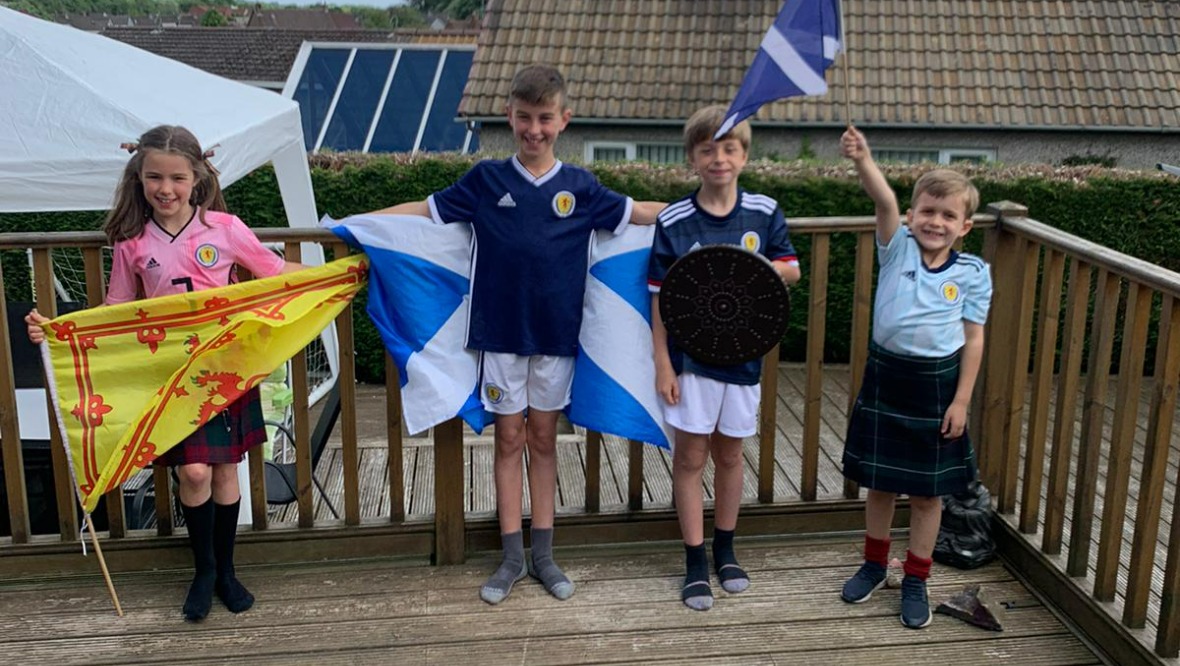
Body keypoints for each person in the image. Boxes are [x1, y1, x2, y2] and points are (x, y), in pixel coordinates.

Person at [370, 64, 666, 605]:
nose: (534, 129)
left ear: (564, 120)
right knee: (507, 440)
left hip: (557, 341)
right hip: (500, 338)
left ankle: (545, 556)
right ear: (510, 116)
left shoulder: (582, 187)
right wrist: (358, 223)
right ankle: (510, 557)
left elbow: (644, 213)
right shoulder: (486, 180)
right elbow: (424, 213)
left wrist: (708, 219)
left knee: (543, 441)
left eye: (545, 118)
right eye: (525, 117)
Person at [26, 125, 304, 622]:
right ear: (140, 177)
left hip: (225, 369)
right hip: (172, 376)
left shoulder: (226, 229)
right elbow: (116, 309)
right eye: (154, 176)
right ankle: (202, 569)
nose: (166, 188)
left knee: (224, 472)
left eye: (177, 178)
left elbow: (274, 274)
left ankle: (225, 572)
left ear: (197, 179)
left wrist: (339, 275)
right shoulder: (133, 240)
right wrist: (60, 331)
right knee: (193, 471)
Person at [647, 105, 802, 611]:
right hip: (691, 362)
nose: (719, 158)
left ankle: (726, 549)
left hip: (743, 359)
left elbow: (790, 268)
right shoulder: (673, 219)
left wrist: (760, 269)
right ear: (692, 157)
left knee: (731, 455)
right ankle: (694, 560)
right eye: (708, 149)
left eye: (729, 148)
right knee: (690, 458)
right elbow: (659, 298)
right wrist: (664, 364)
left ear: (744, 155)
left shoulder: (764, 211)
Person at [838, 126, 992, 628]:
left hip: (938, 388)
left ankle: (918, 579)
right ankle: (875, 564)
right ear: (910, 216)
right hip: (887, 377)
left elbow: (973, 339)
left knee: (928, 495)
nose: (936, 221)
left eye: (949, 215)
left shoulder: (972, 272)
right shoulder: (896, 245)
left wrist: (962, 401)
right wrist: (863, 160)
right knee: (880, 486)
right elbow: (881, 197)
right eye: (927, 211)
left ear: (965, 225)